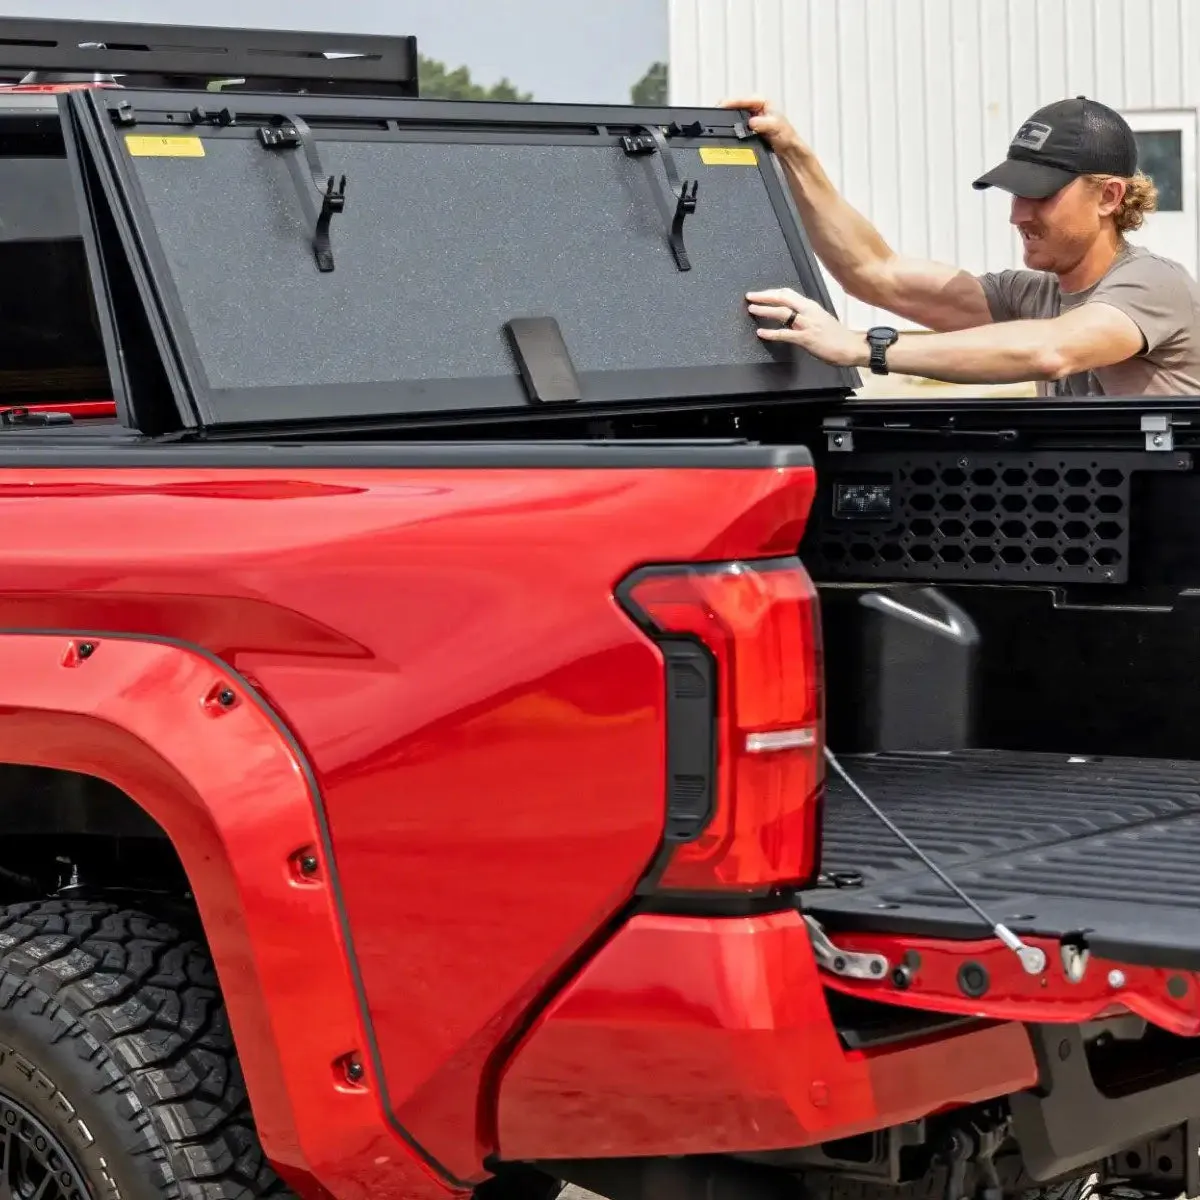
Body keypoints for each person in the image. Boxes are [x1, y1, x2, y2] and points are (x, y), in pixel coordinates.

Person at [728, 94, 1200, 397]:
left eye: (1041, 195)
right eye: (1016, 194)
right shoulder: (1029, 296)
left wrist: (860, 347)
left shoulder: (1153, 283)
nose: (1018, 215)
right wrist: (793, 154)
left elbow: (1052, 351)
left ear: (1109, 196)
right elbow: (874, 273)